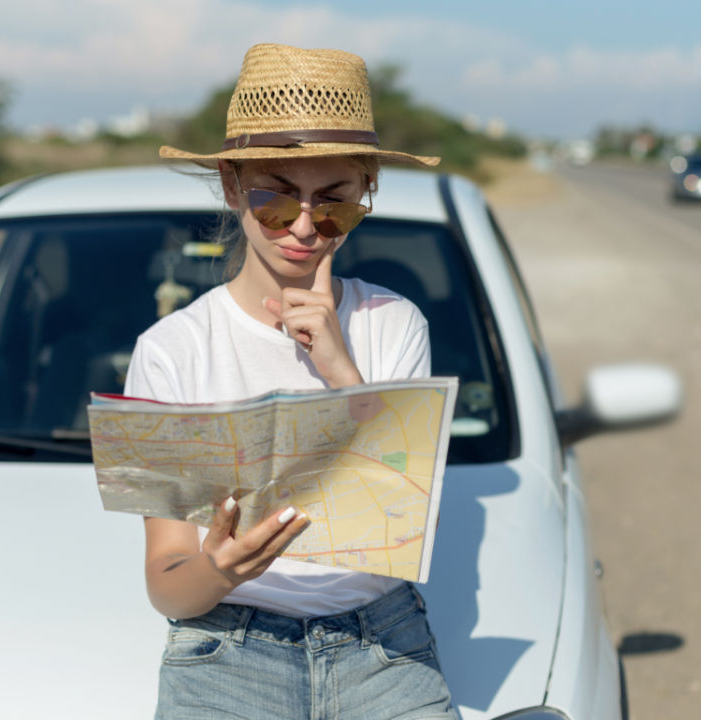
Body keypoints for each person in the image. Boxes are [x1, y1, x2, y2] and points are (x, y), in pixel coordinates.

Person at [123, 43, 456, 719]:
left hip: (383, 642)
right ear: (231, 187)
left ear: (366, 195)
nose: (304, 227)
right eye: (276, 199)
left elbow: (407, 525)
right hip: (225, 650)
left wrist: (340, 368)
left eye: (334, 204)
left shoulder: (395, 323)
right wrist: (221, 568)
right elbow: (168, 586)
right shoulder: (171, 351)